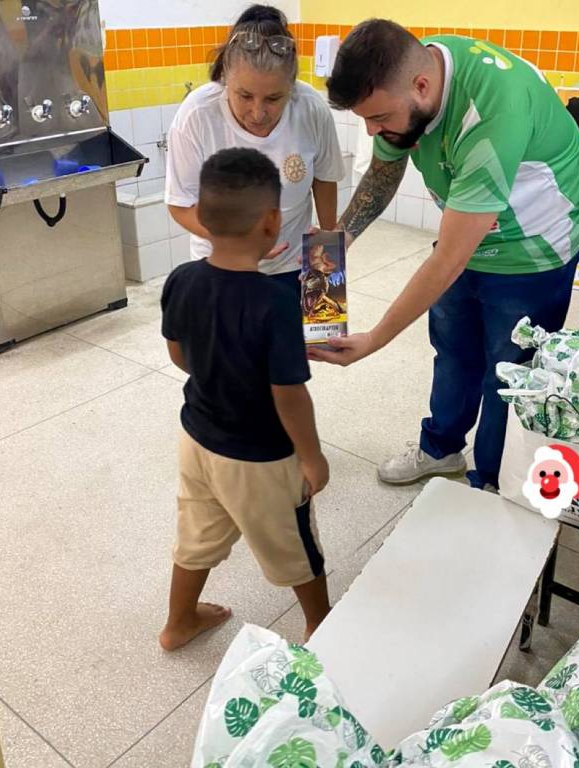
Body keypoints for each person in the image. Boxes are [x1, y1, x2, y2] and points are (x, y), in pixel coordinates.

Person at [312, 20, 579, 491]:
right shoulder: (414, 72)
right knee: (453, 348)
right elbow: (383, 173)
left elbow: (447, 261)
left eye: (379, 117)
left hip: (537, 242)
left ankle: (493, 479)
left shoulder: (492, 111)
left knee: (508, 370)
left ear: (421, 87)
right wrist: (335, 244)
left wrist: (374, 340)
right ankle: (440, 449)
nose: (372, 130)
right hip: (473, 226)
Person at [159, 148, 330, 650]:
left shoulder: (181, 280)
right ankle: (320, 624)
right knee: (293, 543)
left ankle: (179, 622)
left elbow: (179, 354)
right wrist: (312, 457)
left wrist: (220, 372)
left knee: (196, 532)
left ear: (202, 217)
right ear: (272, 222)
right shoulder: (276, 303)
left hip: (198, 439)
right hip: (260, 457)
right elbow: (289, 395)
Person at [164, 4, 345, 300]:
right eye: (245, 95)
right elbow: (180, 204)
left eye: (274, 98)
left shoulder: (310, 107)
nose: (258, 113)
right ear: (225, 77)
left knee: (313, 331)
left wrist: (329, 248)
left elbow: (324, 179)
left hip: (295, 266)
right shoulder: (197, 114)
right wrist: (236, 244)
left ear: (291, 86)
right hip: (221, 266)